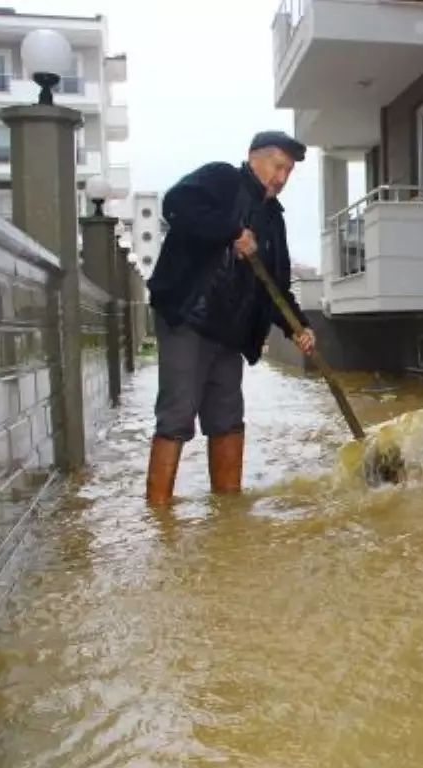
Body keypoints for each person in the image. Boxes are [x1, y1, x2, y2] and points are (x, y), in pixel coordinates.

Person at [144, 131, 317, 506]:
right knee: (177, 413)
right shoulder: (222, 179)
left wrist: (298, 327)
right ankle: (158, 515)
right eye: (278, 166)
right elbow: (176, 204)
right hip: (188, 318)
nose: (282, 178)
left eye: (289, 171)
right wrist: (231, 232)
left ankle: (228, 512)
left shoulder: (274, 221)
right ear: (254, 158)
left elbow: (276, 288)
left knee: (227, 418)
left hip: (229, 334)